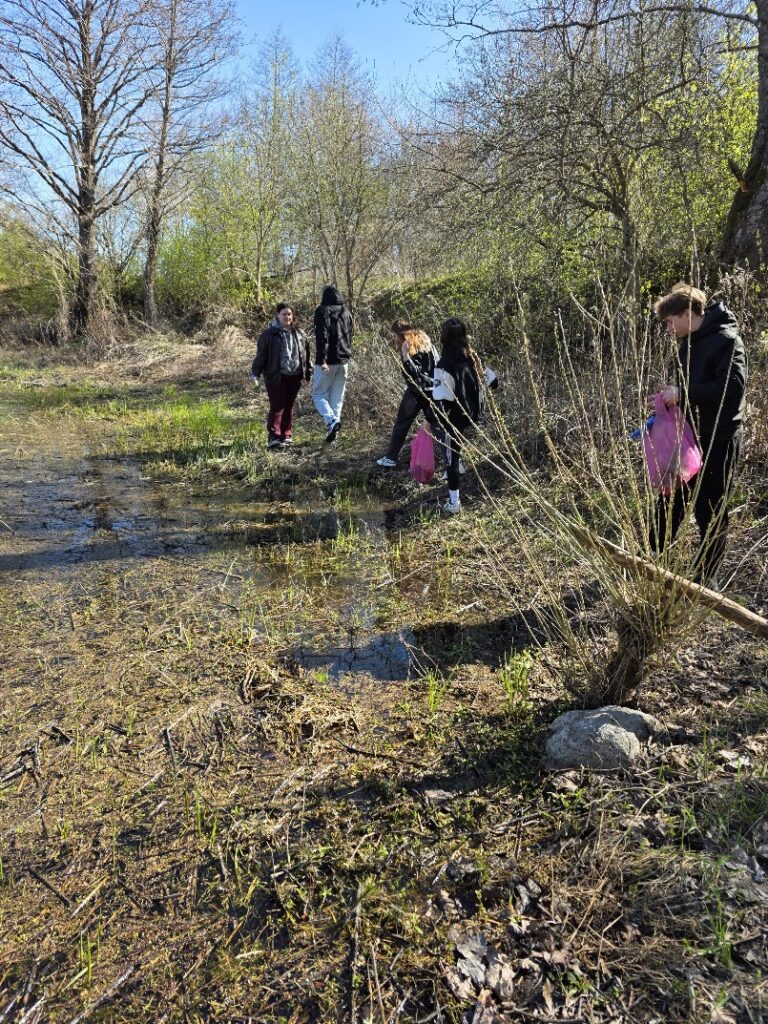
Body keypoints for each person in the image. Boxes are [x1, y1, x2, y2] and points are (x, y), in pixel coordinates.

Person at [651, 283, 747, 586]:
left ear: (687, 314)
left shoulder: (727, 340)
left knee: (711, 508)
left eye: (670, 322)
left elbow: (732, 388)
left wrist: (682, 393)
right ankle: (652, 557)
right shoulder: (689, 342)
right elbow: (688, 387)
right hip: (688, 436)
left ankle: (706, 578)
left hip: (718, 437)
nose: (668, 329)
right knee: (671, 497)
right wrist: (667, 400)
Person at [432, 317, 498, 514]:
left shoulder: (443, 364)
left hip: (455, 417)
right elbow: (494, 382)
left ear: (443, 338)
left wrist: (432, 420)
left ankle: (454, 503)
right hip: (474, 412)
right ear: (464, 335)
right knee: (454, 455)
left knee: (451, 457)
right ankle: (457, 479)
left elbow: (443, 400)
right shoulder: (472, 356)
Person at [376, 320, 441, 468]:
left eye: (394, 335)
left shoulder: (408, 345)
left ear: (399, 334)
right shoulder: (425, 340)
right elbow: (436, 364)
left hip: (416, 391)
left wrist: (405, 356)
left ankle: (391, 458)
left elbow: (415, 373)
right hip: (433, 389)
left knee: (402, 424)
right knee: (438, 426)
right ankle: (453, 463)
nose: (394, 339)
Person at [251, 303, 311, 449]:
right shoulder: (269, 334)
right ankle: (274, 437)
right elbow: (262, 354)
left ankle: (286, 435)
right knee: (277, 406)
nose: (287, 317)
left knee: (289, 406)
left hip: (294, 375)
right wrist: (256, 372)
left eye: (289, 314)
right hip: (275, 375)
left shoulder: (300, 333)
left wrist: (308, 371)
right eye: (284, 314)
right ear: (277, 315)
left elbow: (306, 354)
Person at [313, 285, 353, 443]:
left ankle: (331, 421)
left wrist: (321, 359)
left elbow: (322, 336)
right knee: (337, 399)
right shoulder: (346, 311)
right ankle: (333, 433)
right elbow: (350, 335)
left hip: (327, 361)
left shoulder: (322, 311)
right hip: (344, 361)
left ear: (324, 296)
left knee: (319, 395)